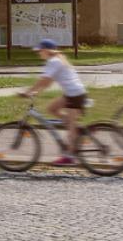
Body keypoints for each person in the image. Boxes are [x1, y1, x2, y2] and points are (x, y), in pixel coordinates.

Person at [19, 39, 88, 167]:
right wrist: (36, 92)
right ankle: (74, 126)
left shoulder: (54, 61)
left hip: (75, 95)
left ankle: (69, 157)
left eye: (40, 51)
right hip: (72, 93)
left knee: (70, 127)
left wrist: (28, 92)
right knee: (51, 109)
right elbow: (48, 82)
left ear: (46, 50)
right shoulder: (57, 60)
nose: (38, 53)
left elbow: (43, 80)